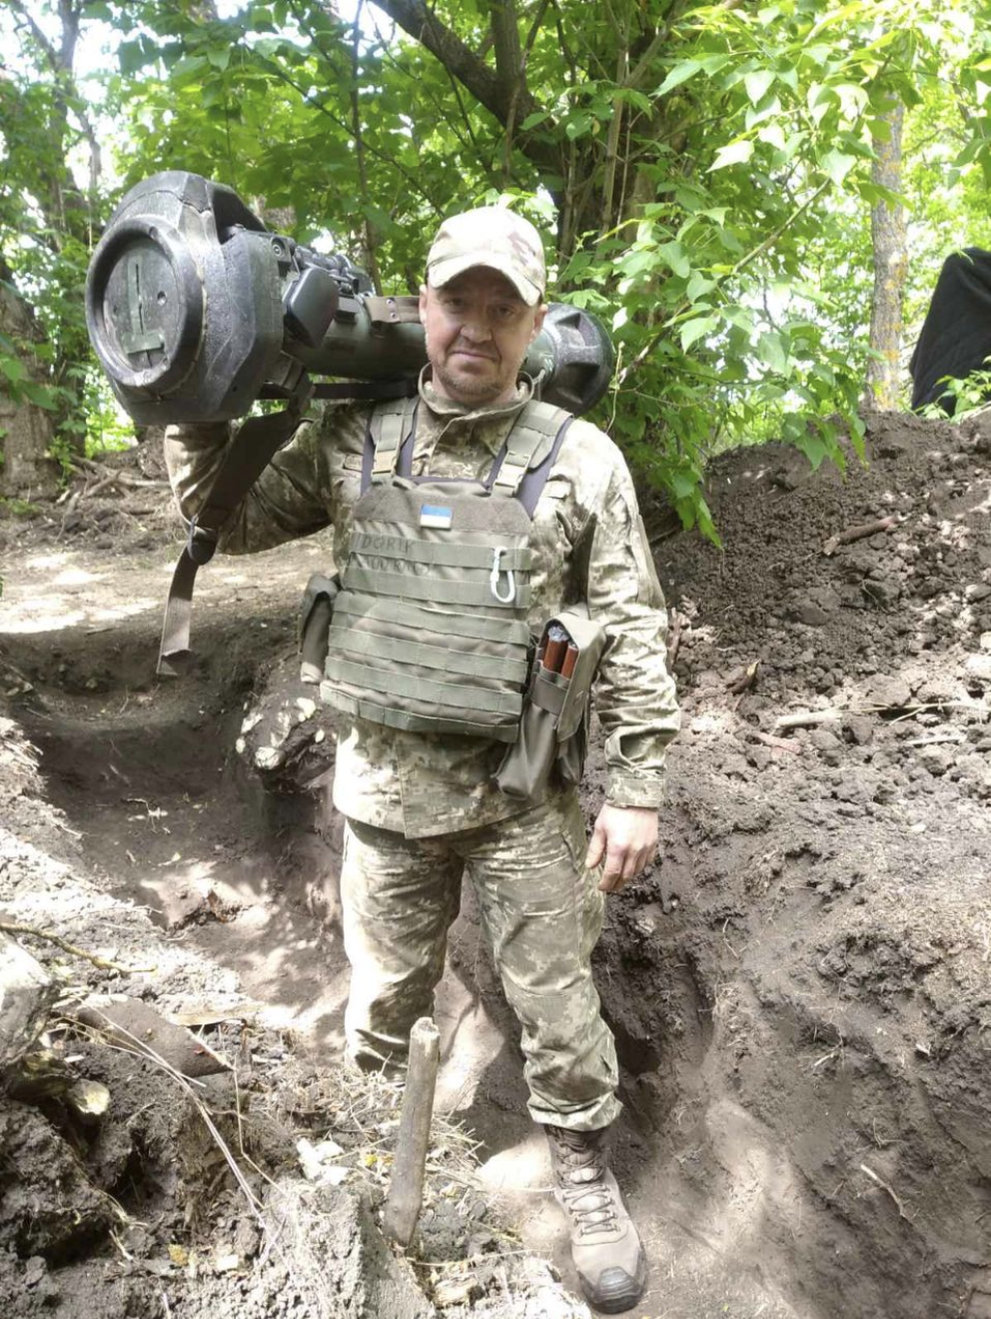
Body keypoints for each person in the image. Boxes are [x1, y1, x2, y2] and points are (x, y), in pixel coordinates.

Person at [165, 207, 680, 1314]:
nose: (475, 328)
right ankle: (375, 1162)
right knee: (383, 1006)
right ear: (422, 303)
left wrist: (636, 786)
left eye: (502, 308)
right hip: (384, 794)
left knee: (556, 1005)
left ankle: (583, 1178)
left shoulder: (580, 458)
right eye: (457, 301)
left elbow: (633, 625)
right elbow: (223, 516)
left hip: (521, 799)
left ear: (535, 321)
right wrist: (188, 393)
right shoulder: (351, 437)